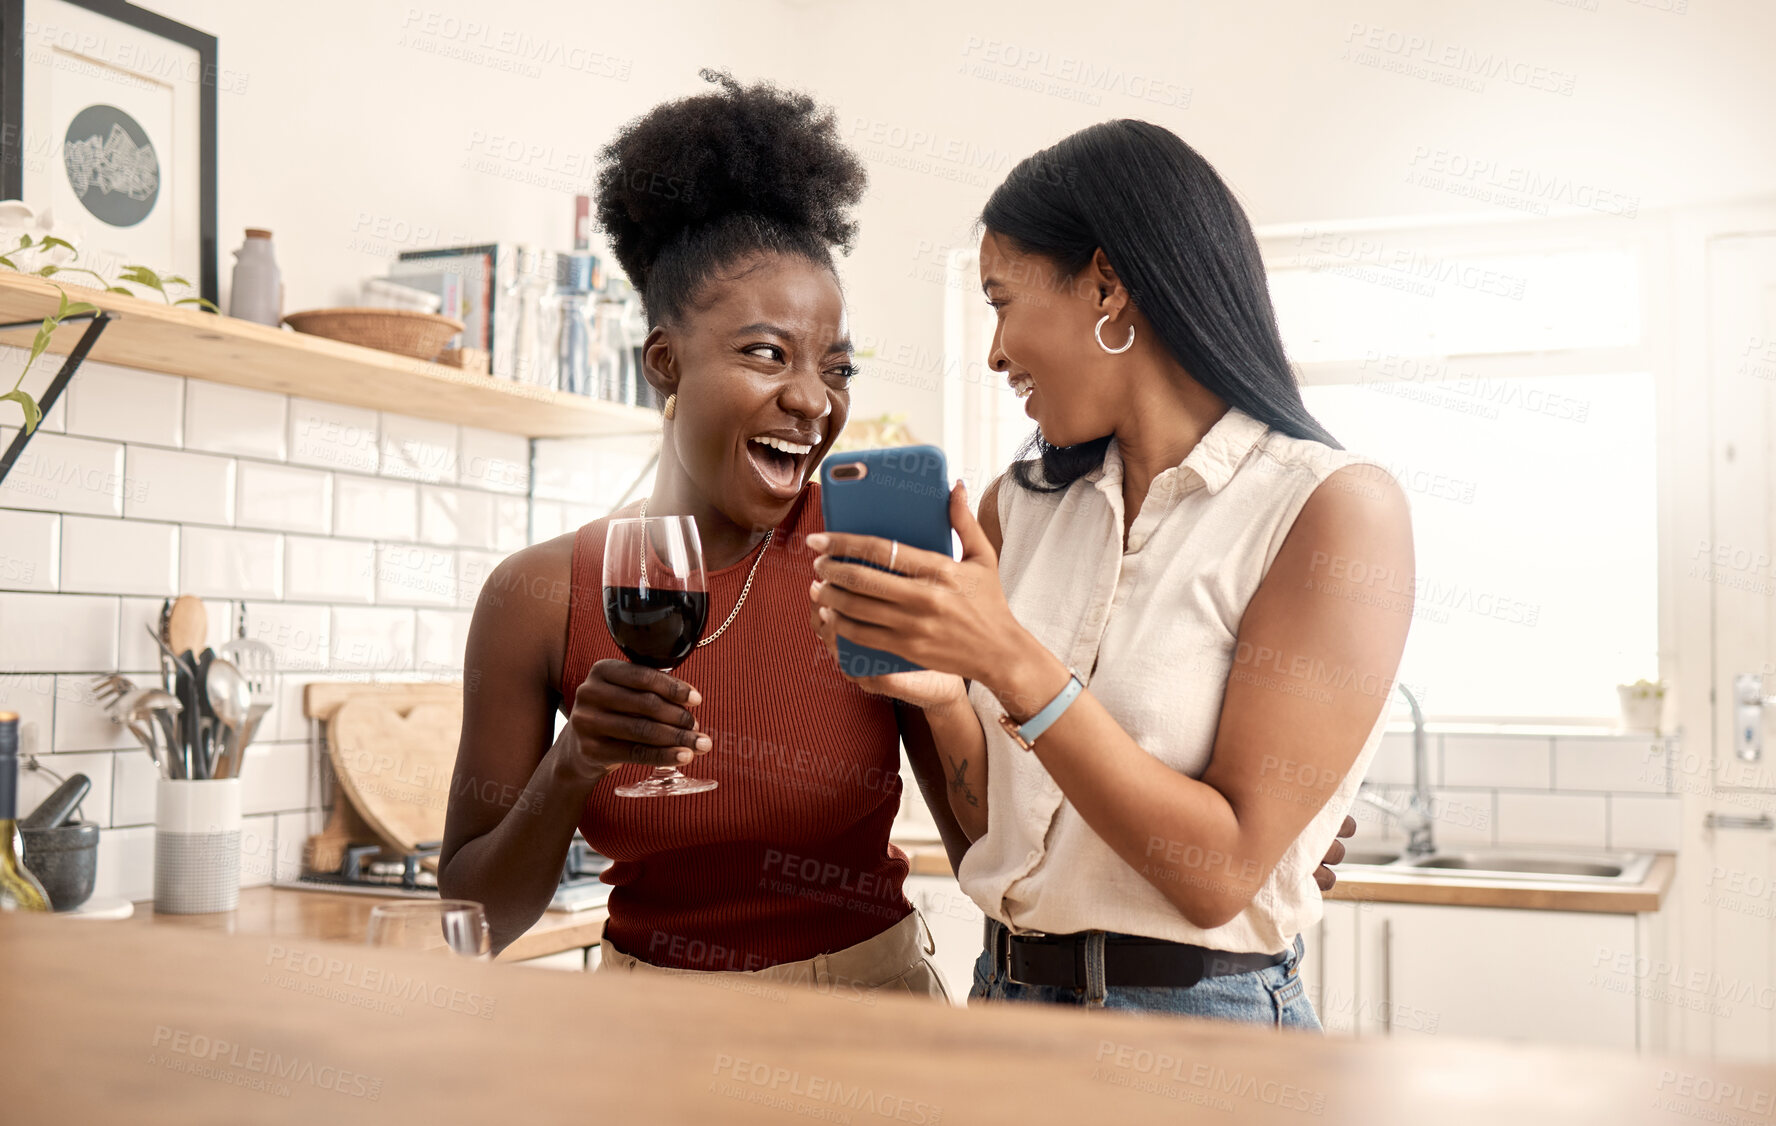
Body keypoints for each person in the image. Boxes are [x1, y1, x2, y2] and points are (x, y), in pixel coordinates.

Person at [808, 118, 1412, 1028]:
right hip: (1007, 998)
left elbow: (1219, 877)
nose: (994, 352)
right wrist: (936, 700)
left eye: (1002, 302)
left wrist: (1010, 661)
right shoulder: (1022, 508)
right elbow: (990, 841)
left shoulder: (1332, 509)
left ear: (1107, 284)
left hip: (1199, 1029)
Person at [438, 71, 961, 999]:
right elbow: (474, 924)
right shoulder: (539, 594)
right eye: (767, 353)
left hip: (872, 1027)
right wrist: (571, 767)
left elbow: (991, 858)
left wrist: (967, 683)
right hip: (645, 1039)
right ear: (665, 362)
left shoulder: (871, 558)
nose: (812, 400)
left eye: (835, 367)